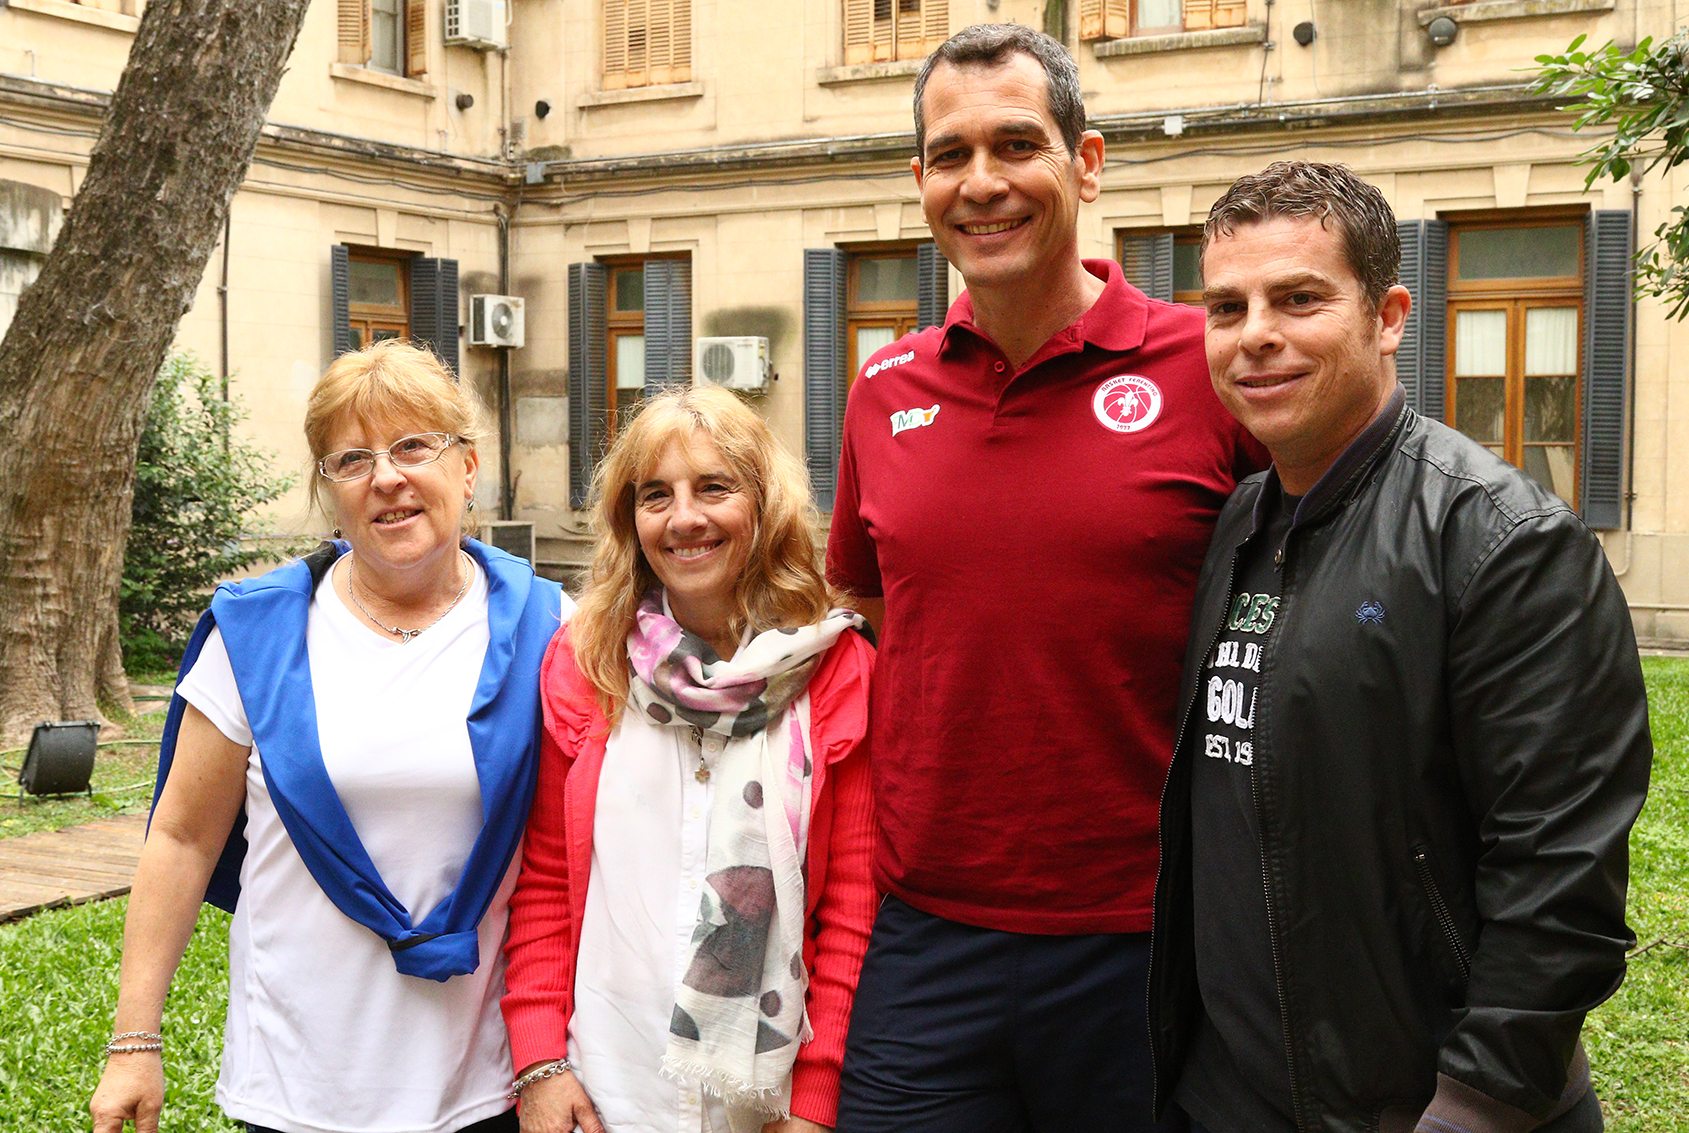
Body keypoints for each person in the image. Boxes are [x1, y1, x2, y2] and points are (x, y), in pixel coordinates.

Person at [824, 23, 1266, 1133]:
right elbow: (874, 605)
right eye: (949, 153)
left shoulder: (1201, 367)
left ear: (1086, 159)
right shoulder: (882, 388)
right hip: (924, 928)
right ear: (917, 177)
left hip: (1145, 930)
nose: (982, 183)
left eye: (1016, 144)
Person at [1149, 161, 1652, 1133]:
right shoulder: (1240, 522)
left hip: (1419, 1106)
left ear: (1385, 315)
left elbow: (1559, 873)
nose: (1254, 333)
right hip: (1227, 1094)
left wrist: (1467, 1109)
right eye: (1225, 305)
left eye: (1296, 298)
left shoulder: (1501, 540)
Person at [90, 340, 565, 1133]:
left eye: (415, 445)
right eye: (352, 459)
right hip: (299, 1085)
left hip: (487, 1082)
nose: (387, 476)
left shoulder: (554, 627)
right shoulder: (257, 632)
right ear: (329, 490)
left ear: (469, 468)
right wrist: (134, 1040)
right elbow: (180, 837)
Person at [501, 385, 879, 1133]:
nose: (684, 518)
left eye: (714, 487)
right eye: (656, 495)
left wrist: (816, 1099)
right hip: (609, 1083)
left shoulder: (836, 670)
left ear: (762, 505)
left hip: (763, 1104)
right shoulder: (586, 664)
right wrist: (540, 1062)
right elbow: (544, 877)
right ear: (629, 519)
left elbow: (854, 913)